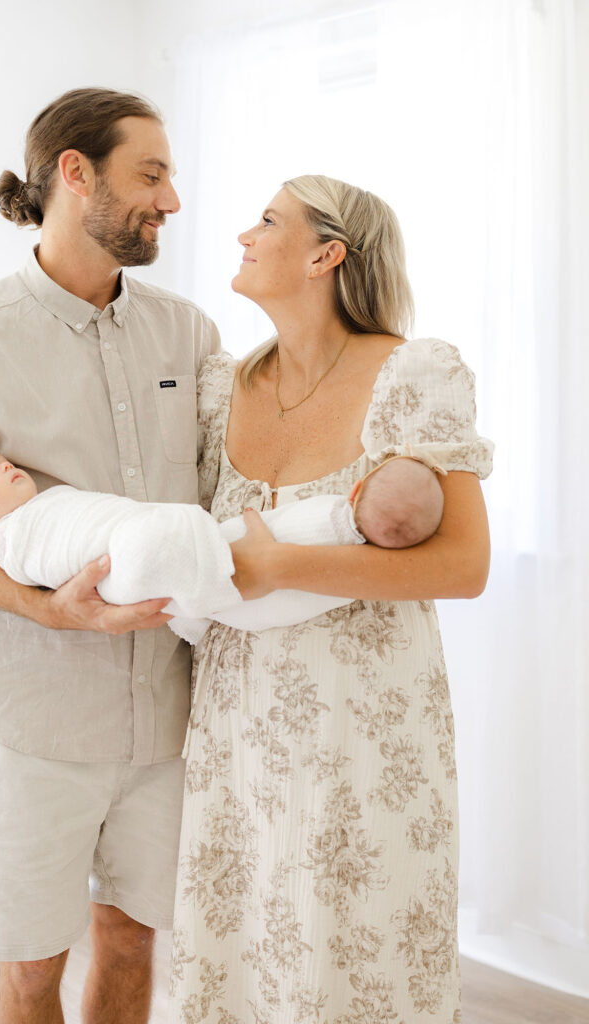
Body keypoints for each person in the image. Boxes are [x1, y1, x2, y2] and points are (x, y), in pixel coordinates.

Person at [0, 88, 220, 1024]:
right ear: (75, 174)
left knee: (130, 938)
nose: (172, 199)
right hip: (34, 723)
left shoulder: (188, 333)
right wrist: (53, 608)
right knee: (32, 967)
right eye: (150, 174)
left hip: (166, 715)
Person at [170, 176, 493, 1023]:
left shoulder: (414, 374)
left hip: (368, 727)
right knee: (246, 954)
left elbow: (463, 565)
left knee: (360, 958)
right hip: (237, 729)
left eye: (268, 220)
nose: (244, 233)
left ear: (326, 254)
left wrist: (284, 568)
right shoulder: (218, 390)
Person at [0, 433, 445, 642]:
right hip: (130, 558)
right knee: (233, 553)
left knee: (247, 599)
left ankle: (348, 551)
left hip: (149, 567)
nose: (6, 467)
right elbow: (61, 557)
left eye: (1, 462)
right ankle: (343, 523)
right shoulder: (12, 542)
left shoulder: (46, 505)